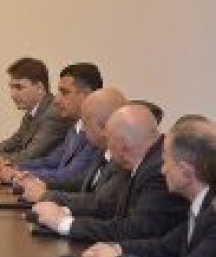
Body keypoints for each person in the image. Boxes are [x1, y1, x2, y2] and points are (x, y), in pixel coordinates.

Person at [82, 116, 216, 257]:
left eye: (166, 162)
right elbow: (164, 246)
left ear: (186, 172)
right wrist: (117, 248)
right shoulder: (202, 205)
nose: (163, 170)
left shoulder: (212, 214)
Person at [31, 104, 188, 242]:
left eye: (109, 141)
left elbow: (136, 230)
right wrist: (62, 212)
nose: (107, 148)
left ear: (123, 147)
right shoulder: (140, 160)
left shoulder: (158, 171)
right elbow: (110, 206)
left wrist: (64, 223)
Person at [17, 87, 128, 207]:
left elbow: (101, 204)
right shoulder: (103, 151)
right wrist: (40, 182)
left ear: (105, 126)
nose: (83, 129)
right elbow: (80, 182)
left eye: (86, 123)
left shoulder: (123, 161)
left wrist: (46, 195)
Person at [0, 63, 103, 185]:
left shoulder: (96, 132)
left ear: (87, 95)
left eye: (64, 92)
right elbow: (51, 161)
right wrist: (15, 167)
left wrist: (17, 175)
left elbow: (71, 176)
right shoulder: (76, 127)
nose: (56, 100)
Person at [0, 57, 73, 164]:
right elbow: (17, 140)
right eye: (11, 87)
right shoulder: (33, 110)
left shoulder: (53, 114)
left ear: (40, 88)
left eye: (19, 87)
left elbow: (29, 156)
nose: (13, 94)